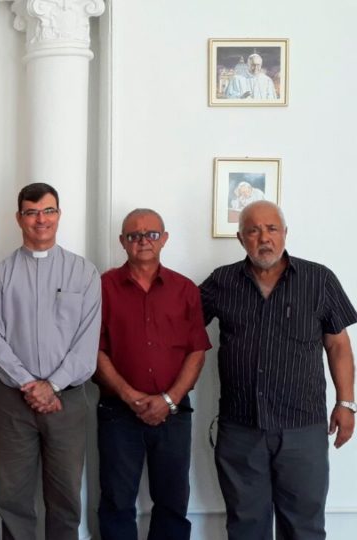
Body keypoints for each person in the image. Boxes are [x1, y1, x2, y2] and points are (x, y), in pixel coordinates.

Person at [201, 200, 357, 540]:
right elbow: (183, 330)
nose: (264, 238)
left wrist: (346, 404)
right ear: (241, 239)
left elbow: (339, 346)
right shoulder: (221, 282)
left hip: (303, 428)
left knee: (304, 527)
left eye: (272, 228)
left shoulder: (319, 279)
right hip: (241, 427)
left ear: (285, 233)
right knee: (245, 526)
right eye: (253, 230)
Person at [0, 182, 102, 540]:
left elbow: (86, 340)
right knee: (13, 497)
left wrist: (53, 385)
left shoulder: (83, 273)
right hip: (13, 400)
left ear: (59, 215)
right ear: (19, 218)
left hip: (69, 400)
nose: (40, 220)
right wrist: (30, 385)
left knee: (65, 496)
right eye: (32, 212)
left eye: (48, 211)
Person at [95, 208, 211, 540]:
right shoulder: (103, 286)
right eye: (134, 235)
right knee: (116, 502)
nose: (143, 241)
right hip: (118, 412)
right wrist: (129, 395)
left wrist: (169, 399)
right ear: (122, 242)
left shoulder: (185, 289)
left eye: (151, 234)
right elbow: (95, 350)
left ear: (164, 239)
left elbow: (197, 350)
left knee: (173, 502)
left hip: (173, 413)